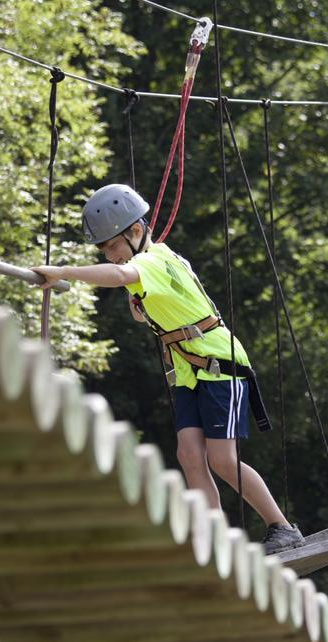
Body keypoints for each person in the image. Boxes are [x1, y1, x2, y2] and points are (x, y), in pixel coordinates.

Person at [31, 184, 306, 553]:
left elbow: (121, 277)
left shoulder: (151, 261)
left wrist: (63, 270)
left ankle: (282, 526)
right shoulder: (154, 261)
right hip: (191, 370)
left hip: (220, 366)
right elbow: (148, 308)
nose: (111, 255)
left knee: (223, 459)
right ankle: (217, 543)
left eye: (113, 246)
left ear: (136, 231)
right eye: (105, 250)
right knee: (189, 455)